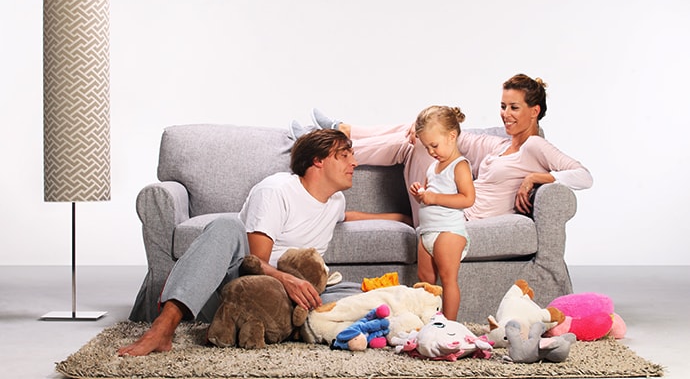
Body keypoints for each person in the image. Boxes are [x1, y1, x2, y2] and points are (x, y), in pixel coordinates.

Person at [117, 129, 410, 356]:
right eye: (344, 155)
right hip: (240, 288)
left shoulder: (335, 200)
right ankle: (162, 329)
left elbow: (347, 215)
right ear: (318, 161)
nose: (354, 163)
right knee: (226, 226)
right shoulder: (276, 191)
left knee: (371, 295)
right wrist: (288, 281)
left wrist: (405, 217)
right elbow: (254, 263)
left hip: (287, 301)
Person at [290, 73, 593, 227]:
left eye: (514, 107)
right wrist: (421, 125)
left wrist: (539, 178)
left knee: (414, 142)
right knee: (420, 133)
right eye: (503, 106)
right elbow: (450, 133)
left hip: (457, 217)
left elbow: (583, 175)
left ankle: (331, 142)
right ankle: (341, 132)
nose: (506, 114)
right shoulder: (499, 145)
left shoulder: (535, 146)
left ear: (534, 111)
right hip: (439, 207)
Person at [408, 105, 475, 320]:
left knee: (448, 279)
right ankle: (428, 321)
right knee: (425, 279)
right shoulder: (432, 167)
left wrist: (433, 197)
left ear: (452, 136)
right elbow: (430, 195)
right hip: (427, 231)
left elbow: (467, 198)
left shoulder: (459, 165)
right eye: (426, 147)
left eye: (434, 145)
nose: (431, 152)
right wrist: (422, 193)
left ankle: (449, 325)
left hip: (449, 231)